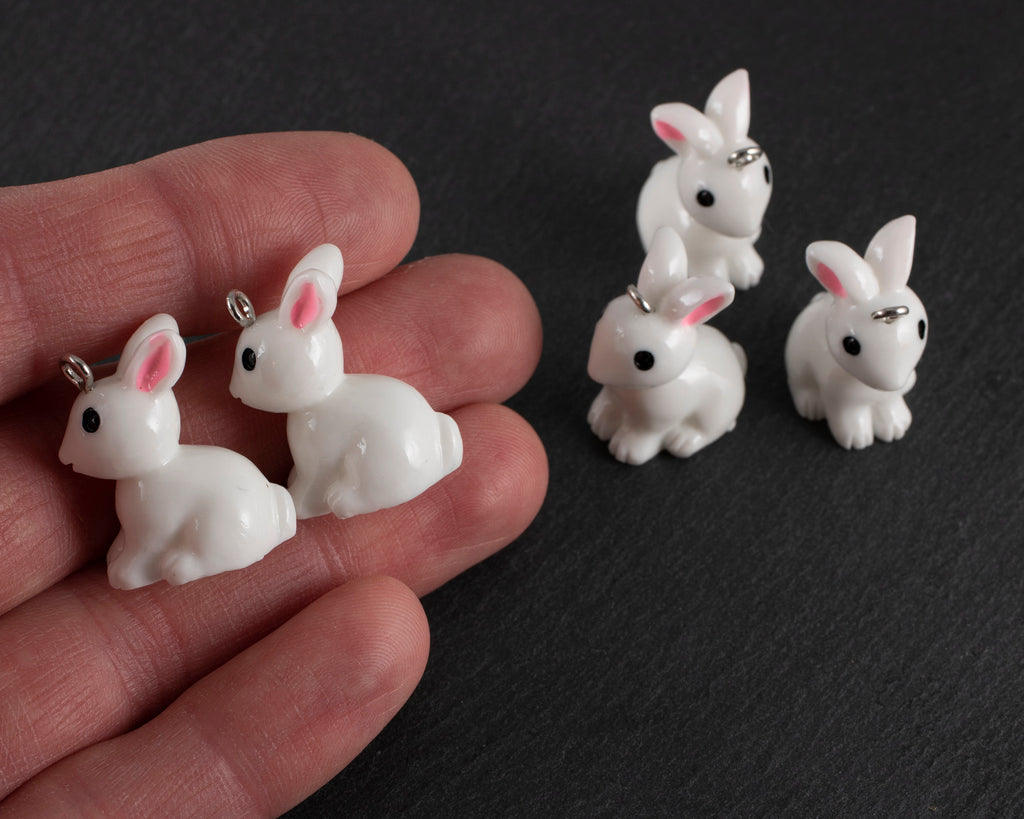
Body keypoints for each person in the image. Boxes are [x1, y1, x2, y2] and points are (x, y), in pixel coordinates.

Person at [0, 131, 548, 814]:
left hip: (372, 464)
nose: (237, 385)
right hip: (266, 500)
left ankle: (325, 500)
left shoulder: (309, 423)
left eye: (252, 362)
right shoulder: (254, 446)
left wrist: (324, 492)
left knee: (289, 499)